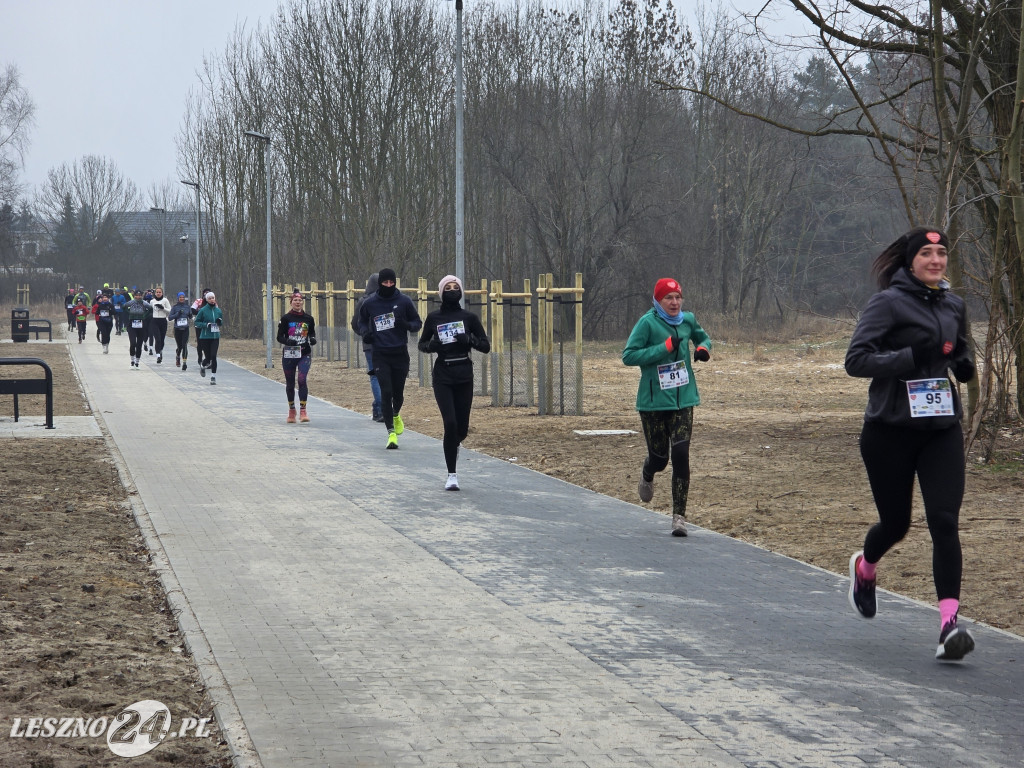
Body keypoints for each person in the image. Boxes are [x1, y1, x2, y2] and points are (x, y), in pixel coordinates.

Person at [844, 226, 977, 662]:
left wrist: (963, 364)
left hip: (941, 428)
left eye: (941, 253)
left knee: (944, 520)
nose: (936, 260)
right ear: (910, 261)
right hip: (890, 430)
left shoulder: (954, 304)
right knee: (896, 524)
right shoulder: (887, 303)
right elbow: (856, 360)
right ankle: (865, 568)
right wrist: (908, 359)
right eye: (926, 254)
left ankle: (949, 627)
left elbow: (959, 351)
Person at [622, 277, 712, 538]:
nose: (674, 303)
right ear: (658, 301)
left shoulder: (688, 320)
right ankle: (648, 471)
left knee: (681, 454)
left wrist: (703, 348)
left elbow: (703, 337)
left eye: (677, 297)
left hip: (683, 400)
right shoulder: (647, 323)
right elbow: (629, 355)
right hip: (653, 403)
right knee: (660, 458)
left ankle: (679, 517)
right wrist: (664, 348)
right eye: (668, 298)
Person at [417, 275, 490, 490]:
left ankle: (453, 444)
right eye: (447, 288)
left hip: (464, 374)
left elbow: (486, 346)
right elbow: (422, 344)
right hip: (443, 374)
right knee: (449, 423)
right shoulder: (434, 318)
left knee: (461, 429)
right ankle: (452, 475)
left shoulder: (469, 317)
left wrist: (470, 340)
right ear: (441, 293)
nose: (451, 290)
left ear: (461, 291)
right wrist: (432, 346)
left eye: (455, 287)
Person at [357, 267, 422, 448]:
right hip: (380, 353)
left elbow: (417, 323)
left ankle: (395, 414)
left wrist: (406, 325)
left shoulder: (404, 301)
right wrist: (365, 333)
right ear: (380, 283)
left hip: (400, 353)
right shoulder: (370, 303)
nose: (388, 285)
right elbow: (361, 321)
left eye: (391, 282)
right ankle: (391, 434)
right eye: (385, 282)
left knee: (398, 394)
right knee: (386, 392)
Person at [276, 290, 318, 423]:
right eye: (295, 300)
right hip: (290, 354)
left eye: (300, 300)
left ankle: (303, 411)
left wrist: (312, 339)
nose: (298, 302)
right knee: (290, 383)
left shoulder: (309, 319)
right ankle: (291, 410)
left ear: (303, 302)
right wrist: (288, 341)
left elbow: (312, 333)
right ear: (291, 302)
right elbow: (279, 337)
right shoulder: (285, 319)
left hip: (304, 353)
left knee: (302, 379)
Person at [351, 273, 384, 421]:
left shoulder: (363, 301)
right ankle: (380, 408)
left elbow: (355, 323)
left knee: (375, 376)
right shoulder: (389, 300)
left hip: (369, 344)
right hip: (388, 343)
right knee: (385, 376)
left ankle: (379, 409)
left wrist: (364, 334)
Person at [194, 292, 224, 385]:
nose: (212, 300)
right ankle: (203, 365)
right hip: (205, 337)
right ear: (206, 300)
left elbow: (221, 322)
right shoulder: (203, 310)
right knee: (208, 358)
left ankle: (213, 377)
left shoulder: (218, 310)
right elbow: (196, 322)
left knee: (213, 356)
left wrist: (219, 322)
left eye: (213, 298)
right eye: (210, 298)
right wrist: (206, 325)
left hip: (215, 337)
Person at [124, 291, 151, 368]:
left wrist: (145, 315)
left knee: (139, 344)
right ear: (134, 296)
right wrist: (129, 313)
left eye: (139, 295)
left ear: (142, 296)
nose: (138, 297)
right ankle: (132, 361)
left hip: (141, 325)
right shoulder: (131, 302)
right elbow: (124, 307)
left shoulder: (144, 303)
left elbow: (150, 309)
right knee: (133, 343)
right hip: (132, 325)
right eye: (136, 295)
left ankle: (137, 362)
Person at [168, 292, 192, 371]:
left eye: (183, 297)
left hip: (185, 329)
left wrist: (190, 315)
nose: (182, 298)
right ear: (178, 298)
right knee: (180, 346)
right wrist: (177, 314)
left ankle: (184, 363)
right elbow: (170, 318)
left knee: (184, 345)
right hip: (177, 329)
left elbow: (190, 316)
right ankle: (178, 355)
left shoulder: (187, 307)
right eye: (180, 297)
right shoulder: (175, 307)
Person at [149, 287, 172, 364]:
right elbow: (150, 310)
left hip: (163, 321)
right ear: (155, 293)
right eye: (157, 292)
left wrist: (163, 308)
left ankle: (160, 350)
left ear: (162, 293)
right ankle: (158, 355)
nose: (158, 293)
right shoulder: (152, 301)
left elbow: (169, 310)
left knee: (162, 339)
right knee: (157, 339)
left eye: (160, 292)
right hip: (154, 321)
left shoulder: (165, 300)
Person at [191, 289, 210, 368]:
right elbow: (192, 310)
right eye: (205, 294)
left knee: (208, 342)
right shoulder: (198, 301)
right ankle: (200, 357)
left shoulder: (213, 302)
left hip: (209, 325)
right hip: (199, 325)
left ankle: (208, 359)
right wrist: (201, 313)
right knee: (200, 342)